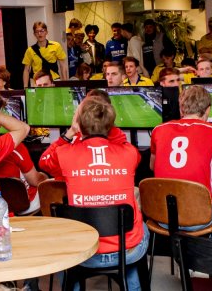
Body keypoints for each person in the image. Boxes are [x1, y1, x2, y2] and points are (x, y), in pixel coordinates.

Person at [39, 97, 148, 291]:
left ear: (79, 123)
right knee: (143, 228)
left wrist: (70, 132)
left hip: (83, 252)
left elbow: (44, 162)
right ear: (111, 125)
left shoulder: (65, 154)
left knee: (59, 242)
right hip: (126, 250)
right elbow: (122, 147)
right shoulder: (130, 152)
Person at [149, 86, 212, 238]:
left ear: (181, 109)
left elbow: (152, 166)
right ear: (208, 110)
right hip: (198, 218)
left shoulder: (158, 130)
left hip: (163, 216)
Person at [0, 91, 48, 214]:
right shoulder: (14, 146)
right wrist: (45, 177)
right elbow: (35, 180)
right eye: (3, 113)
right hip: (20, 205)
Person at [22, 21, 68, 88]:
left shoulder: (56, 46)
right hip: (38, 82)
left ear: (46, 32)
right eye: (37, 32)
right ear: (34, 34)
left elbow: (62, 66)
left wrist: (65, 83)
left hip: (53, 81)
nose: (39, 34)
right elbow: (26, 69)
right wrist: (25, 87)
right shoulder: (30, 50)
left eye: (42, 31)